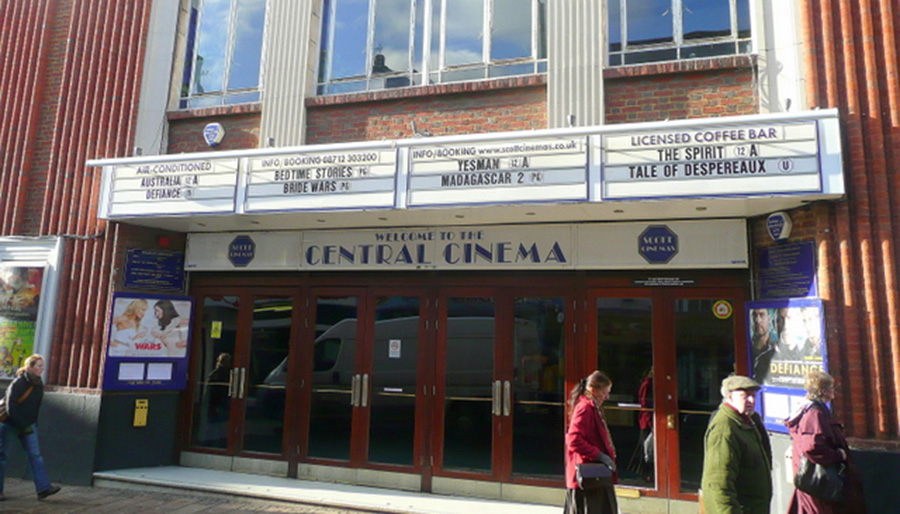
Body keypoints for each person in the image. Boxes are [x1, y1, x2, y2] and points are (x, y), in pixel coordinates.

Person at [785, 371, 866, 514]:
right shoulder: (815, 414)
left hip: (813, 481)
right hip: (819, 481)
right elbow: (813, 447)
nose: (834, 392)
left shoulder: (808, 410)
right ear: (823, 391)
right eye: (832, 388)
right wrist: (838, 455)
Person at [701, 375, 772, 514]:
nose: (752, 401)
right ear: (730, 397)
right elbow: (718, 483)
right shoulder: (724, 428)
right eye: (745, 396)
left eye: (754, 396)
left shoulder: (747, 421)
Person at [0, 354, 61, 501]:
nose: (42, 368)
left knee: (36, 456)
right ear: (30, 367)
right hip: (10, 424)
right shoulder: (19, 383)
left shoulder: (38, 384)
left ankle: (43, 488)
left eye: (42, 365)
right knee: (2, 457)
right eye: (39, 365)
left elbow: (35, 408)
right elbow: (11, 407)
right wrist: (22, 425)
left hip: (29, 424)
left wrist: (32, 425)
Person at [564, 371, 618, 514]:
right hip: (588, 479)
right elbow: (573, 439)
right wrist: (600, 455)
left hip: (594, 478)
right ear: (593, 390)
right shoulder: (585, 407)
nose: (607, 397)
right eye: (605, 392)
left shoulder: (591, 406)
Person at [751, 308, 778, 383]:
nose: (758, 320)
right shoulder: (746, 347)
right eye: (754, 315)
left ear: (769, 319)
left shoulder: (777, 347)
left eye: (762, 315)